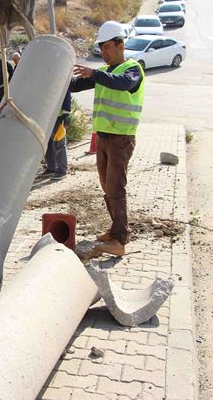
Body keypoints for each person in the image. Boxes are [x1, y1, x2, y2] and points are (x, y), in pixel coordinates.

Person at [70, 20, 145, 256]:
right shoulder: (104, 73)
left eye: (108, 47)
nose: (104, 52)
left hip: (121, 139)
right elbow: (76, 85)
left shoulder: (132, 69)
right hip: (103, 138)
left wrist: (94, 73)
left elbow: (124, 84)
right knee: (107, 185)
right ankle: (115, 230)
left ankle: (119, 240)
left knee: (115, 187)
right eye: (101, 48)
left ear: (121, 45)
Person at [43, 89, 72, 180]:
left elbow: (66, 92)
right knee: (47, 143)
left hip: (58, 116)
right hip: (45, 115)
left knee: (58, 143)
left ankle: (62, 170)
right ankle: (51, 168)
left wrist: (66, 113)